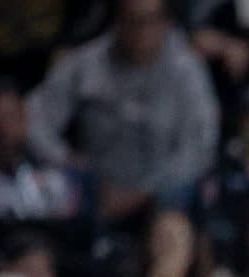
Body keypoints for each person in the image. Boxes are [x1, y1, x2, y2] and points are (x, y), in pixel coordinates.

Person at [24, 0, 221, 223]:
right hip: (97, 188)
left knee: (182, 197)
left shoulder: (186, 69)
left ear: (166, 23)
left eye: (150, 21)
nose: (141, 31)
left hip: (162, 191)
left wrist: (144, 192)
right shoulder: (87, 63)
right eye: (133, 21)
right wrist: (64, 159)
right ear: (117, 22)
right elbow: (33, 118)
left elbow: (199, 145)